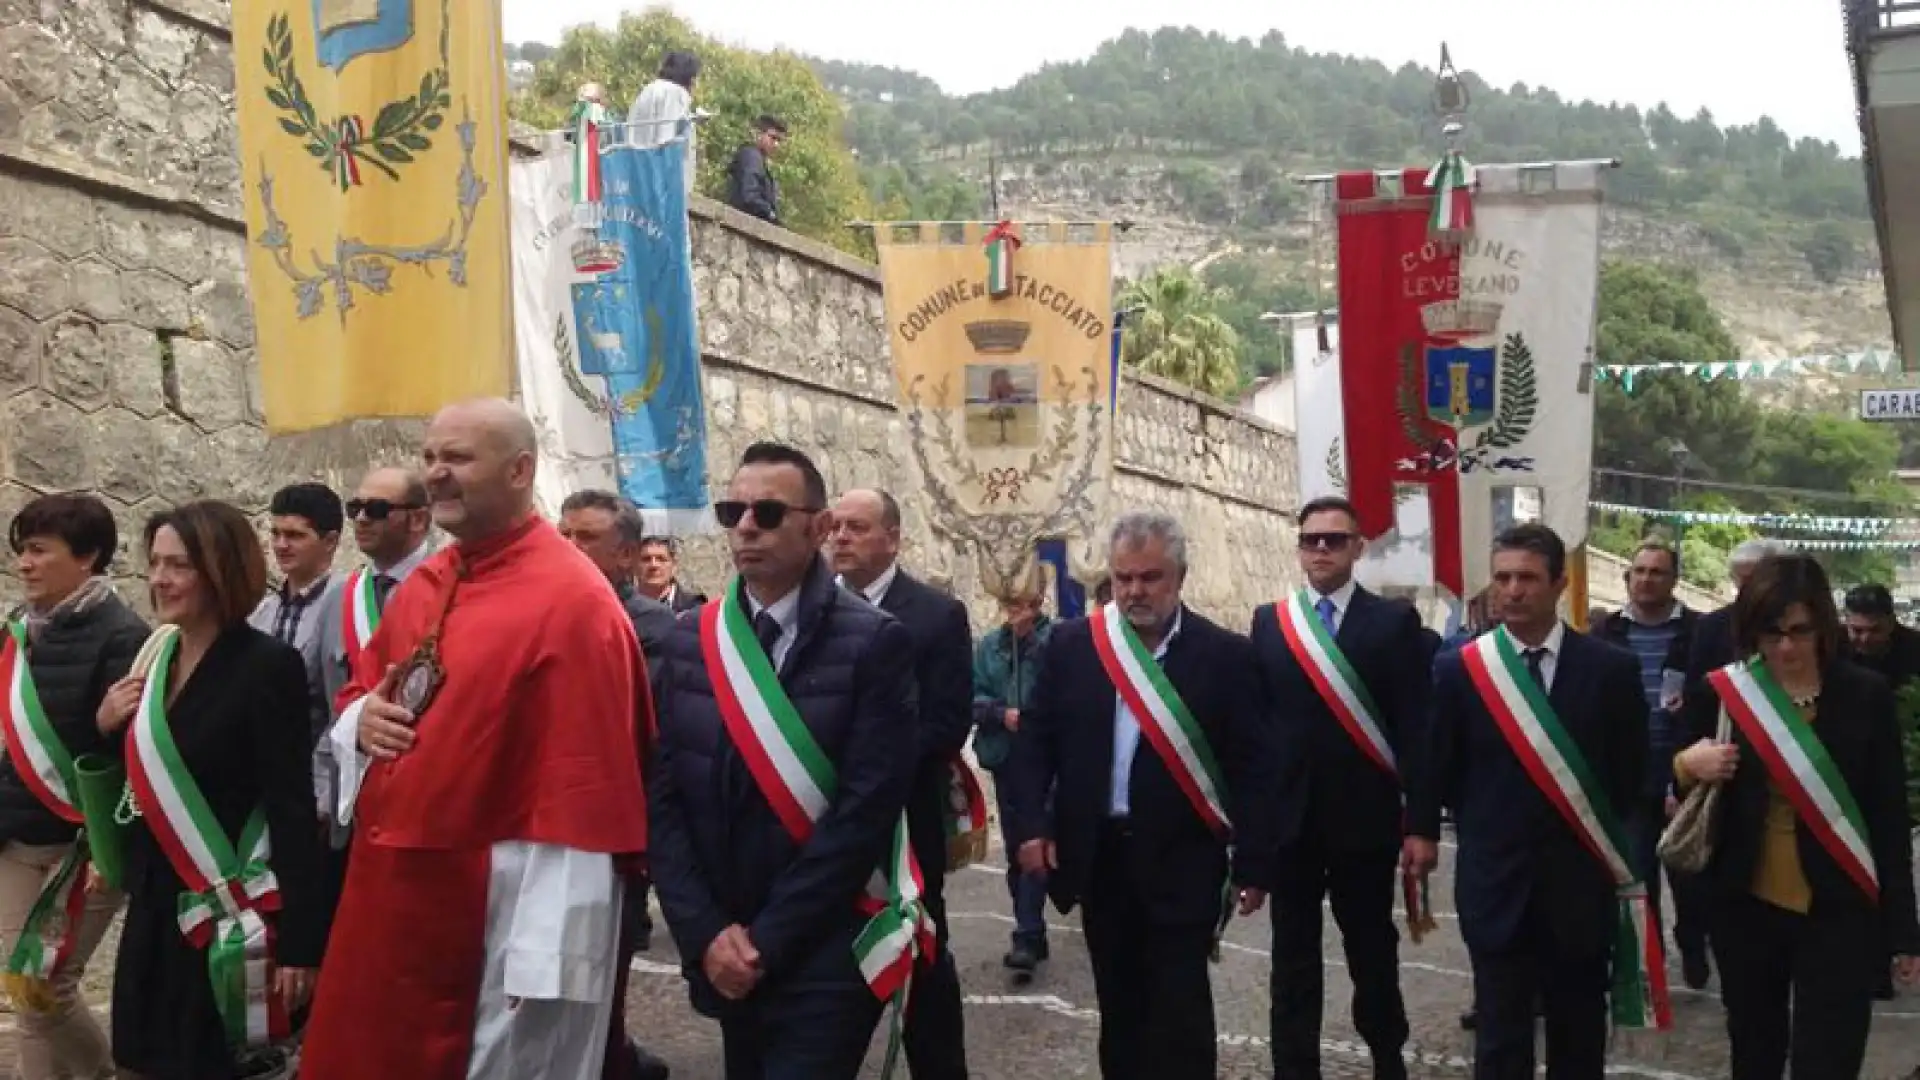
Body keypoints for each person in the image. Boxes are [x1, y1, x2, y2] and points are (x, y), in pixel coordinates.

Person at [300, 399, 650, 1080]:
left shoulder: (575, 602)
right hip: (392, 899)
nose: (435, 473)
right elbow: (364, 692)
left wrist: (552, 956)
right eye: (429, 456)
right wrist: (360, 722)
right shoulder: (426, 583)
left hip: (497, 912)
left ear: (520, 469)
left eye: (457, 458)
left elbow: (585, 789)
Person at [648, 442, 920, 1079]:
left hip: (825, 945)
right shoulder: (690, 640)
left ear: (818, 527)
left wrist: (766, 941)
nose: (744, 526)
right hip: (723, 942)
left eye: (767, 512)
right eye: (731, 510)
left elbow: (864, 812)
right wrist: (705, 931)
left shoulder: (877, 643)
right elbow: (662, 796)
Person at [1008, 511, 1282, 1080]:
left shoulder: (1225, 656)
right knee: (1121, 1005)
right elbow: (1035, 742)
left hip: (1185, 858)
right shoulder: (1074, 646)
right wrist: (1032, 825)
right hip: (1100, 856)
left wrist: (1256, 861)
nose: (1134, 591)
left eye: (1150, 577)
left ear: (1180, 576)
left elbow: (1253, 766)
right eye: (1124, 578)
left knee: (1181, 1008)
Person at [1406, 523, 1652, 1080]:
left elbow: (1629, 773)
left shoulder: (1610, 670)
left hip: (1579, 882)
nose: (1512, 591)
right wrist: (1419, 830)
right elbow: (1435, 763)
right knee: (1500, 1033)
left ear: (1559, 584)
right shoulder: (1461, 668)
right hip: (1496, 879)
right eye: (1502, 578)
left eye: (1527, 578)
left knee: (1578, 1031)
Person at [104, 501, 328, 1080]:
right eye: (154, 563)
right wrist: (104, 725)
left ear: (220, 569)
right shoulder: (158, 661)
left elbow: (292, 805)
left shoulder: (265, 665)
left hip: (225, 906)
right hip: (157, 902)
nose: (159, 579)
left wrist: (301, 944)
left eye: (178, 565)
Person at [1676, 554, 1920, 1078]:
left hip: (1840, 907)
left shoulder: (1865, 696)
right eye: (1770, 633)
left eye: (1799, 631)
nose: (1785, 647)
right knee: (1755, 1054)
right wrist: (1686, 764)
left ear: (1823, 625)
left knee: (1830, 1059)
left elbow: (1889, 816)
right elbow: (1668, 777)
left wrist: (1903, 931)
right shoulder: (1726, 692)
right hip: (1744, 905)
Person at [1251, 496, 1430, 1080]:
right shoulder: (1272, 623)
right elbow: (1258, 730)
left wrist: (1421, 823)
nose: (1321, 549)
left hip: (1365, 820)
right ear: (1299, 548)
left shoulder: (1393, 622)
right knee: (1292, 959)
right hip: (1292, 823)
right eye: (1311, 540)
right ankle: (1293, 1068)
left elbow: (1414, 728)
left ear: (1358, 547)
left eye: (1334, 539)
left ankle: (1386, 1056)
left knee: (1371, 952)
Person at [1, 494, 147, 1079]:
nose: (24, 564)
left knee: (46, 985)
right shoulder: (18, 635)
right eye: (20, 552)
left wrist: (103, 726)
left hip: (83, 847)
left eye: (39, 551)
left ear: (87, 557)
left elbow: (137, 756)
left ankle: (99, 1071)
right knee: (25, 986)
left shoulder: (123, 636)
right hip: (16, 839)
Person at [828, 488, 972, 1080]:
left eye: (857, 528)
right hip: (820, 824)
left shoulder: (936, 615)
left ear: (893, 538)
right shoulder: (809, 608)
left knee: (921, 958)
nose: (840, 537)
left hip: (904, 831)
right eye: (834, 526)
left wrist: (865, 765)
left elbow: (946, 722)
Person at [555, 490, 676, 1080]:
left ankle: (610, 1058)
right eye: (562, 533)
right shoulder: (542, 609)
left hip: (614, 824)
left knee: (604, 959)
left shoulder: (654, 629)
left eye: (584, 538)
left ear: (627, 555)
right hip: (546, 820)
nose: (566, 547)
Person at [310, 468, 433, 915]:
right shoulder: (339, 597)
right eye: (354, 508)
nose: (361, 519)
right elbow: (317, 706)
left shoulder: (449, 589)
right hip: (350, 809)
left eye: (377, 510)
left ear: (418, 520)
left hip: (424, 807)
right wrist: (321, 794)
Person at [1596, 540, 1708, 988]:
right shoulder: (1606, 631)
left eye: (1656, 572)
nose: (1646, 579)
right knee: (1639, 874)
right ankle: (1651, 964)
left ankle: (1694, 941)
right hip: (1630, 772)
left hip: (1686, 768)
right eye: (1638, 571)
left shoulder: (1698, 632)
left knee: (1691, 874)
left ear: (1673, 580)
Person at [971, 581, 1054, 979]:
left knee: (1034, 843)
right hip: (1005, 754)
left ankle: (1027, 932)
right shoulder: (989, 646)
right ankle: (1031, 928)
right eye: (1010, 601)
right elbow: (973, 696)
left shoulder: (1057, 639)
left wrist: (1031, 645)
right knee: (1015, 848)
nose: (1016, 609)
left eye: (1024, 600)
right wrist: (1000, 713)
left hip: (1044, 758)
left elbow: (1062, 686)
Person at [250, 482, 344, 751]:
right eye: (276, 533)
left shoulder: (347, 605)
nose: (281, 545)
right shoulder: (263, 612)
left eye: (295, 535)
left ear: (330, 541)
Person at [628, 49, 701, 195]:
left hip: (637, 174)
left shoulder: (649, 89)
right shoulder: (675, 93)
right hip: (660, 185)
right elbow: (667, 140)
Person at [1842, 583, 1920, 690]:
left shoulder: (1915, 648)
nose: (1865, 639)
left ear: (1892, 623)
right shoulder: (1833, 646)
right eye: (1857, 630)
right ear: (1846, 622)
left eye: (1875, 630)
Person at [727, 115, 786, 225]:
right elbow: (749, 196)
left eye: (779, 140)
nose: (776, 144)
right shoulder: (751, 156)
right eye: (773, 138)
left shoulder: (758, 159)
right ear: (759, 134)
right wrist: (770, 213)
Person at [637, 536, 706, 613]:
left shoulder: (695, 608)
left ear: (674, 566)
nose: (654, 565)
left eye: (661, 559)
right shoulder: (623, 609)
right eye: (646, 559)